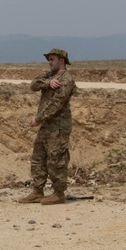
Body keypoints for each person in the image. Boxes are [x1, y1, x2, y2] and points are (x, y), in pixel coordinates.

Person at [17, 48, 77, 205]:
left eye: (52, 59)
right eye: (49, 60)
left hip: (58, 127)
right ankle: (38, 191)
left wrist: (38, 119)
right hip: (47, 126)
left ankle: (58, 193)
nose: (49, 63)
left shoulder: (67, 80)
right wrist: (48, 83)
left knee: (56, 159)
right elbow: (33, 84)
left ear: (61, 61)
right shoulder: (50, 77)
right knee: (38, 157)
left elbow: (56, 104)